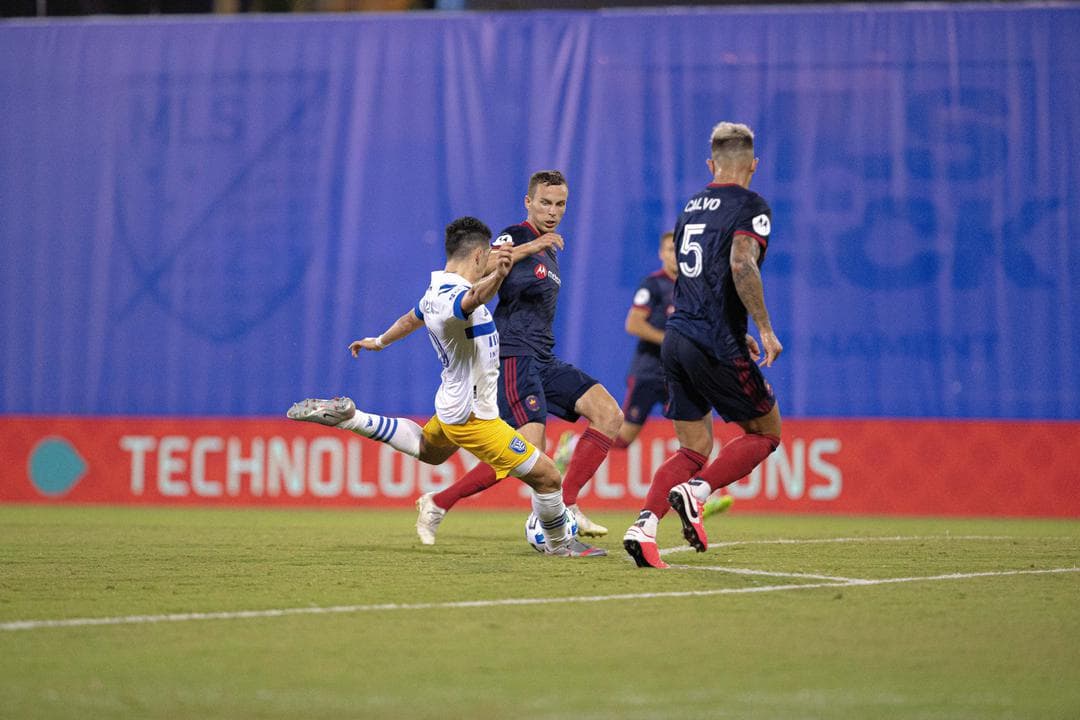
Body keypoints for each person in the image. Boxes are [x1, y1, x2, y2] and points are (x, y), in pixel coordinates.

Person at [287, 216, 605, 558]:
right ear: (480, 256)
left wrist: (378, 341)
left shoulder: (434, 290)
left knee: (429, 449)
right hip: (474, 417)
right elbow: (471, 300)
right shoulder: (456, 297)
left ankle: (352, 417)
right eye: (490, 258)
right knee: (548, 478)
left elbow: (410, 319)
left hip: (452, 405)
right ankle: (559, 545)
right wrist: (498, 276)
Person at [415, 171, 624, 544]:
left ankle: (565, 506)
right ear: (528, 202)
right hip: (513, 356)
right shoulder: (519, 235)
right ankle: (544, 525)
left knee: (609, 414)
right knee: (530, 456)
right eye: (545, 202)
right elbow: (487, 262)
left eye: (560, 204)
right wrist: (533, 244)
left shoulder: (549, 251)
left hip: (542, 357)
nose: (553, 211)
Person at [623, 122, 783, 569]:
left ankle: (644, 526)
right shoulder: (752, 205)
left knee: (693, 449)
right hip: (714, 341)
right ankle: (697, 492)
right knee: (767, 433)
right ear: (753, 165)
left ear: (711, 164)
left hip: (678, 338)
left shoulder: (691, 206)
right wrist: (764, 329)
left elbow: (696, 278)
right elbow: (740, 263)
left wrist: (736, 327)